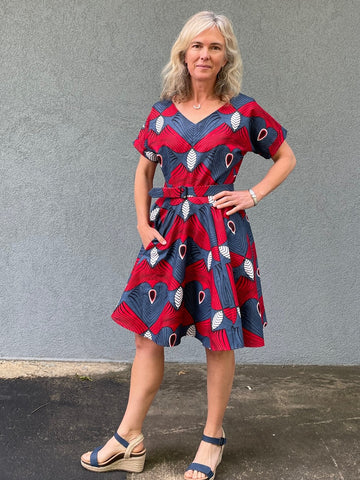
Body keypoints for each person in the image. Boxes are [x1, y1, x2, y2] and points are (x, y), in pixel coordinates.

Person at [81, 10, 296, 480]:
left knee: (218, 339)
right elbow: (144, 169)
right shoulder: (161, 113)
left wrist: (252, 194)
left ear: (225, 56)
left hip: (219, 237)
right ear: (183, 52)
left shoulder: (243, 111)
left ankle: (212, 439)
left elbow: (285, 155)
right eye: (197, 45)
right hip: (167, 233)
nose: (204, 54)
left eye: (214, 47)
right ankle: (129, 437)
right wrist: (142, 224)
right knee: (146, 335)